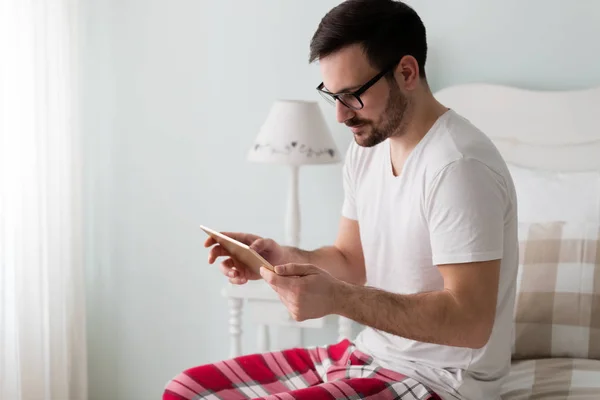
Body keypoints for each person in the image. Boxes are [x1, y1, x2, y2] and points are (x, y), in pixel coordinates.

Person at [163, 0, 518, 399]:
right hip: (369, 355)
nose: (339, 116)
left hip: (443, 380)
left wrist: (337, 298)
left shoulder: (458, 166)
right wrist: (280, 257)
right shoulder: (366, 150)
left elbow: (469, 322)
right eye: (331, 95)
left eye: (352, 95)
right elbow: (350, 261)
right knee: (187, 389)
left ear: (406, 72)